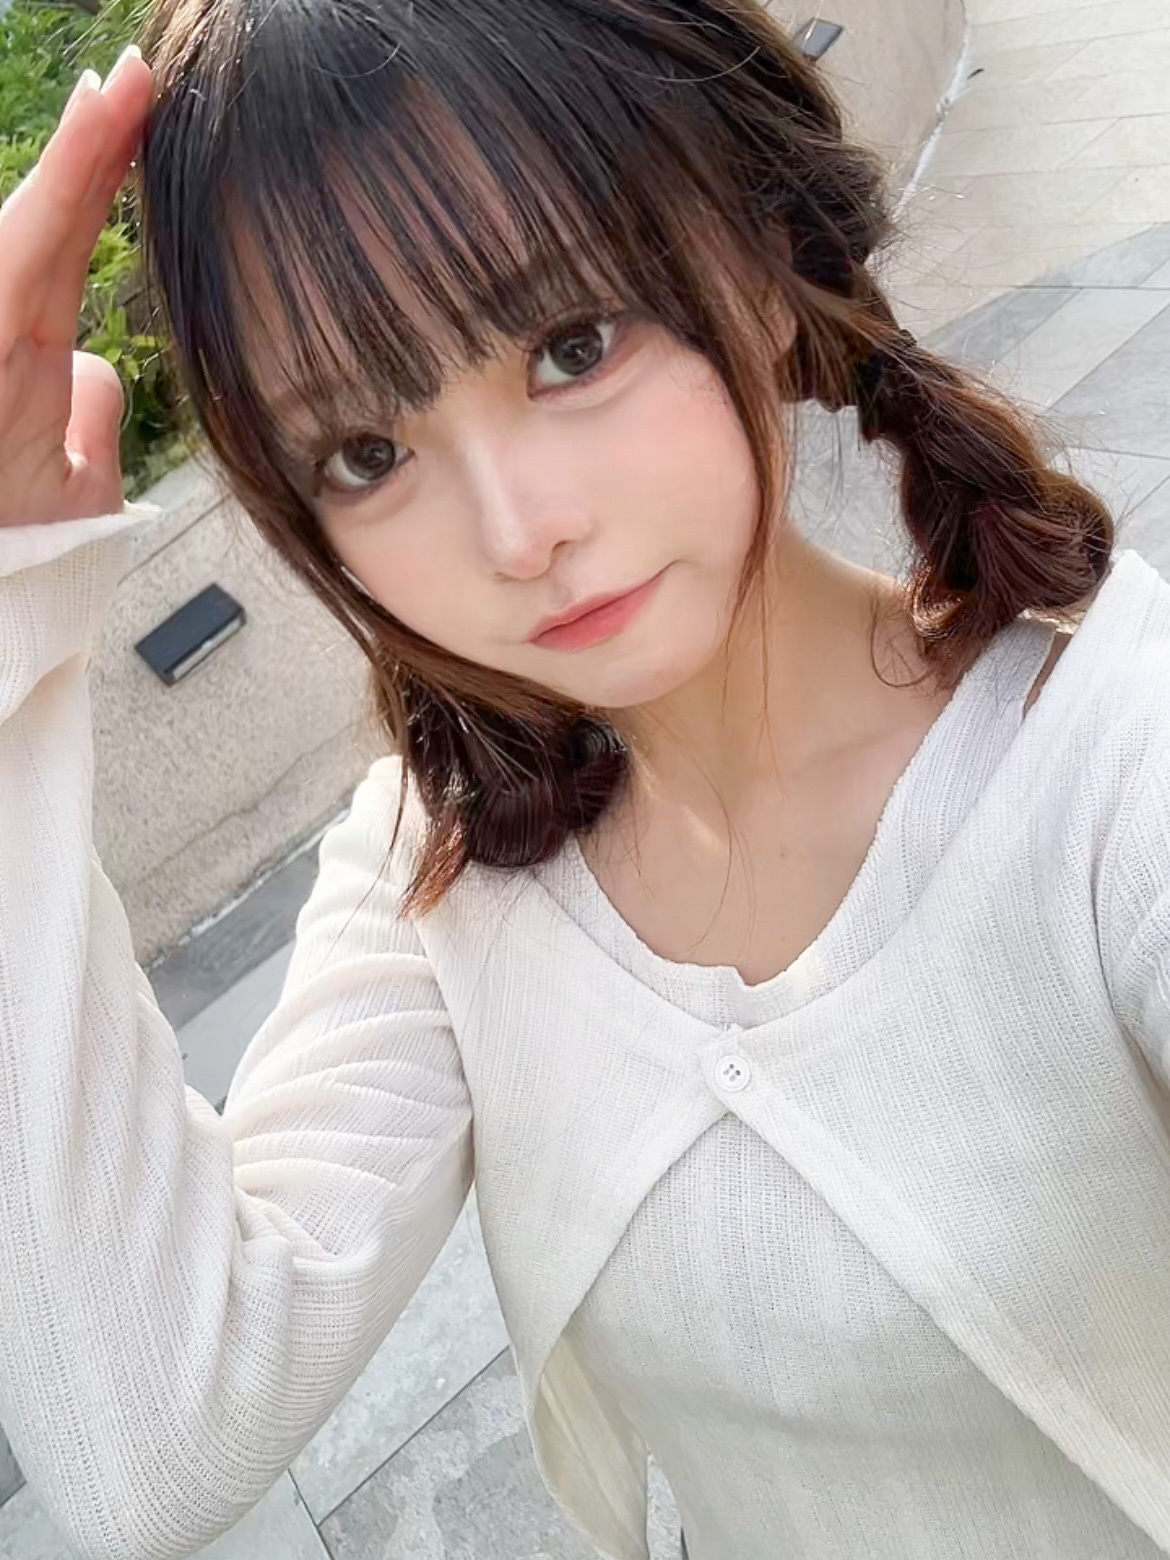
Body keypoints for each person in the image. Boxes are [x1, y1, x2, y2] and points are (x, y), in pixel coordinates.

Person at [4, 3, 1170, 1558]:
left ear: (758, 257)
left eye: (570, 346)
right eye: (364, 453)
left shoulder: (1113, 769)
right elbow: (146, 1447)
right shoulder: (442, 870)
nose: (516, 531)